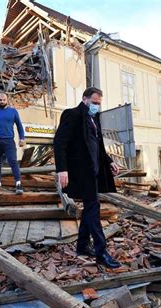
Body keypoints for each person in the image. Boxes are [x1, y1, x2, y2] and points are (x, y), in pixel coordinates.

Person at [54, 87, 121, 269]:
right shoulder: (72, 114)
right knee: (93, 208)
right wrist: (62, 170)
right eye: (94, 103)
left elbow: (98, 145)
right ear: (84, 99)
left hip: (95, 170)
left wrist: (109, 161)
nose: (96, 106)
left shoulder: (94, 119)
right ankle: (101, 253)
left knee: (91, 207)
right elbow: (59, 143)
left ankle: (83, 245)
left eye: (99, 103)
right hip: (80, 171)